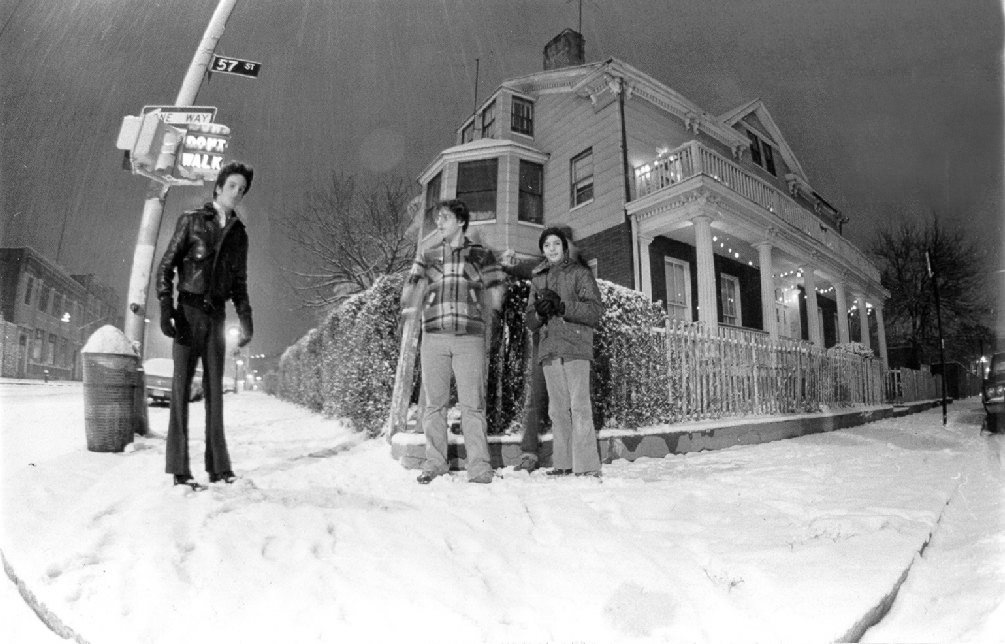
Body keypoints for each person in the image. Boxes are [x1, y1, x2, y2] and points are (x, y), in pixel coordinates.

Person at [156, 161, 255, 490]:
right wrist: (166, 308)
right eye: (232, 187)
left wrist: (245, 319)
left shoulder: (240, 235)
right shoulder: (192, 221)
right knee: (181, 390)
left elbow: (239, 283)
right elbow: (166, 266)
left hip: (216, 319)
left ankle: (219, 467)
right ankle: (180, 471)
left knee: (215, 393)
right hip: (187, 312)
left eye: (242, 190)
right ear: (218, 187)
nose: (236, 193)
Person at [404, 199, 505, 484]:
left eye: (445, 218)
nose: (438, 223)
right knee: (434, 405)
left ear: (461, 221)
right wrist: (415, 290)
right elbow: (410, 291)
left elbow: (496, 292)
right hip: (434, 337)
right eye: (437, 219)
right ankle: (435, 463)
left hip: (469, 338)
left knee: (472, 405)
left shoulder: (481, 255)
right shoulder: (428, 254)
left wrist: (489, 296)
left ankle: (480, 468)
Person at [526, 227, 604, 477]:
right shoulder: (537, 278)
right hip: (550, 349)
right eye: (547, 245)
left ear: (564, 246)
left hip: (576, 347)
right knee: (557, 410)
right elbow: (530, 320)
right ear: (542, 250)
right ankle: (563, 463)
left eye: (556, 244)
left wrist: (562, 306)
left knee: (580, 406)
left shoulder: (580, 273)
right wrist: (539, 312)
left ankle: (587, 466)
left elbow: (594, 311)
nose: (552, 249)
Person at [500, 249, 549, 472]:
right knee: (535, 396)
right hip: (542, 340)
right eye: (548, 245)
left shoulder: (575, 272)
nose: (554, 248)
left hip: (568, 345)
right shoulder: (539, 268)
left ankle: (571, 455)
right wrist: (506, 266)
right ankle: (529, 453)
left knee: (568, 402)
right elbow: (519, 268)